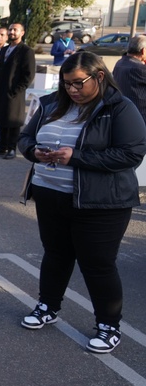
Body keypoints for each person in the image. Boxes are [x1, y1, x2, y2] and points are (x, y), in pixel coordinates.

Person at [18, 51, 146, 353]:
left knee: (98, 264)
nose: (72, 90)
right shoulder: (51, 103)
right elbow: (25, 138)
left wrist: (76, 157)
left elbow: (131, 154)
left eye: (78, 83)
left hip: (100, 204)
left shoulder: (118, 107)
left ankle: (108, 325)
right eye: (67, 84)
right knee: (56, 255)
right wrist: (33, 151)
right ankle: (47, 306)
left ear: (99, 76)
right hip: (51, 196)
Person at [0, 22, 35, 159]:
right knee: (1, 118)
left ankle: (11, 148)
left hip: (14, 93)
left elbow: (29, 75)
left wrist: (15, 90)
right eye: (11, 30)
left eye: (16, 30)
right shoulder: (5, 49)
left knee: (13, 121)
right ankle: (2, 146)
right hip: (0, 91)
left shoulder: (26, 51)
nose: (12, 32)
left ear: (22, 33)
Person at [112, 34, 146, 121]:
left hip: (123, 113)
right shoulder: (140, 68)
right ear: (143, 51)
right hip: (140, 116)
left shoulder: (119, 63)